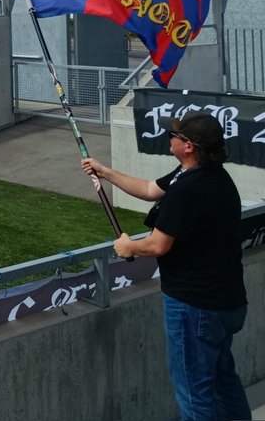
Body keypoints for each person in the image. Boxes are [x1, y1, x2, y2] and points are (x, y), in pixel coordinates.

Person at [82, 112, 249, 420]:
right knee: (224, 381)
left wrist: (128, 246)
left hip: (194, 308)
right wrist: (104, 172)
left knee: (194, 393)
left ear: (190, 147)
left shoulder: (188, 189)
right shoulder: (205, 175)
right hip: (226, 304)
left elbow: (158, 245)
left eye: (176, 136)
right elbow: (149, 189)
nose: (170, 139)